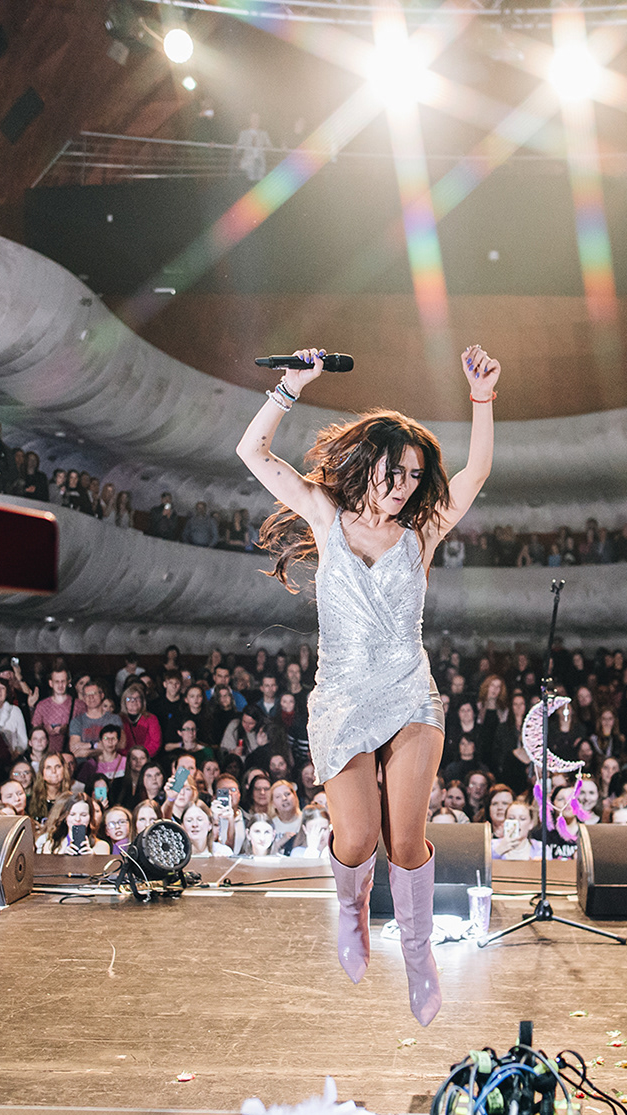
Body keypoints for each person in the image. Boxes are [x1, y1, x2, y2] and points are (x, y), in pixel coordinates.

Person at [240, 342, 498, 1025]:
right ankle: (350, 914)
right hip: (343, 701)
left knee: (406, 841)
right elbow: (253, 453)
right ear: (370, 466)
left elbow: (475, 474)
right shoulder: (327, 518)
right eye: (398, 472)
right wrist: (292, 387)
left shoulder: (423, 532)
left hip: (411, 694)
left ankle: (418, 955)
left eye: (416, 475)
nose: (407, 485)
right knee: (356, 841)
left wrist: (482, 400)